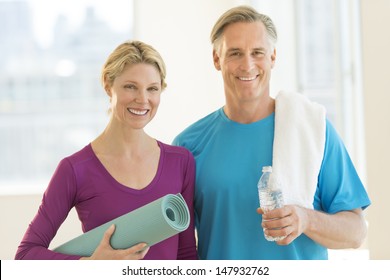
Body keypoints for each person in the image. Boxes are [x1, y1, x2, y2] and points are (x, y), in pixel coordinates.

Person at [173, 5, 371, 260]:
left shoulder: (313, 131)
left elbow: (355, 232)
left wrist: (306, 219)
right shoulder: (188, 145)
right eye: (235, 53)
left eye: (257, 52)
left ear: (273, 57)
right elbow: (176, 242)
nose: (247, 65)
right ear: (216, 59)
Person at [15, 40, 197, 260]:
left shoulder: (180, 162)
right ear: (107, 84)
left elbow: (186, 254)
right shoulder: (75, 170)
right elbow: (25, 255)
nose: (143, 99)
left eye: (152, 89)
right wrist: (91, 265)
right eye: (130, 86)